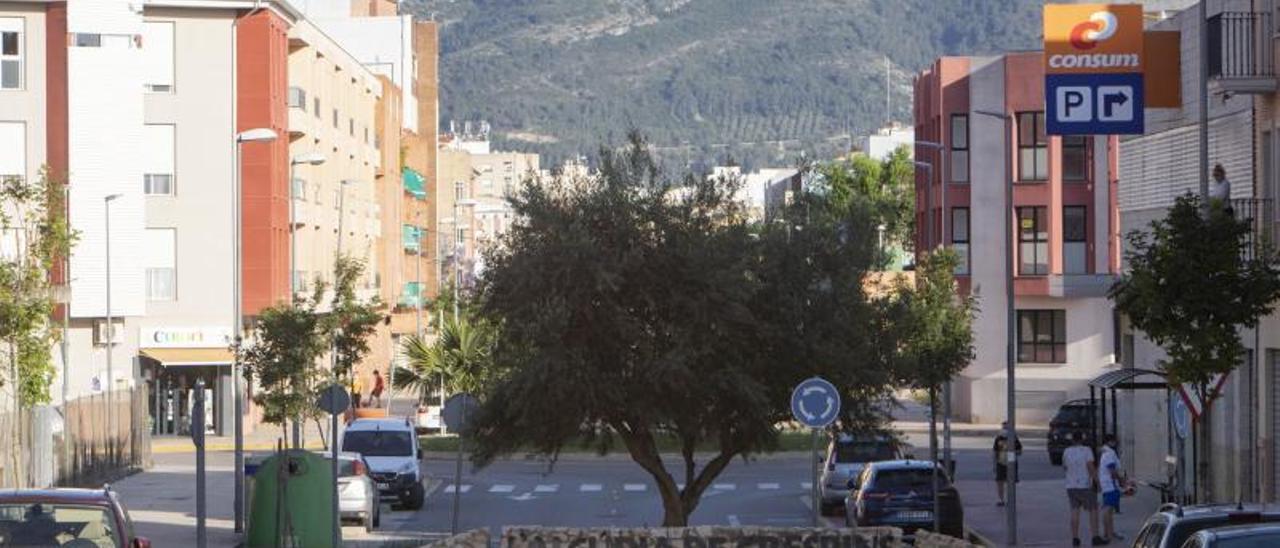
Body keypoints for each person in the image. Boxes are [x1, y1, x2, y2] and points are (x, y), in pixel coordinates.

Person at [1064, 431, 1106, 546]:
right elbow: (1091, 468)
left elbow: (1065, 467)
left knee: (1074, 511)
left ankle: (1075, 538)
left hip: (1071, 486)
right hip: (1085, 486)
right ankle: (1095, 537)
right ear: (1082, 439)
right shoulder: (1086, 451)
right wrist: (1098, 482)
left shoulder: (1067, 451)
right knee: (1093, 510)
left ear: (1072, 440)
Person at [1099, 434, 1126, 543]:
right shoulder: (1109, 453)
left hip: (1107, 484)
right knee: (1108, 509)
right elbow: (1112, 470)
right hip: (1110, 484)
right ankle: (1108, 533)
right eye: (1115, 442)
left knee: (1109, 510)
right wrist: (1121, 480)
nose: (1116, 444)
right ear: (1110, 442)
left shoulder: (1105, 453)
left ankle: (1110, 532)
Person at [992, 422, 1022, 507]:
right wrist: (994, 464)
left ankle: (1010, 499)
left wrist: (1012, 451)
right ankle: (1001, 499)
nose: (1004, 430)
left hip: (1011, 463)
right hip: (1000, 462)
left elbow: (1020, 451)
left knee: (1011, 482)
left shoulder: (1014, 438)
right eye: (1003, 428)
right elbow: (995, 451)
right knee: (999, 481)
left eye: (1006, 428)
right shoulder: (998, 438)